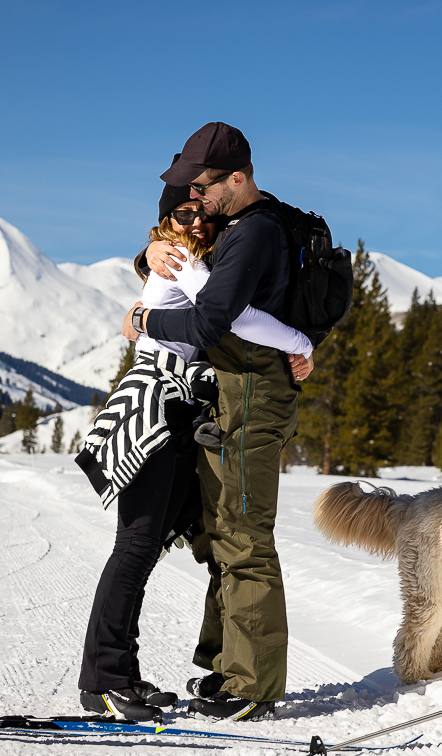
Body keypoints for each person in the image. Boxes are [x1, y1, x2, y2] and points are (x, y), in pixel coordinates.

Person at [77, 173, 312, 723]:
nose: (197, 222)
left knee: (155, 543)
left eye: (204, 215)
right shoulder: (180, 258)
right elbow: (235, 318)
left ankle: (120, 674)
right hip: (154, 403)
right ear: (164, 223)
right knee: (136, 547)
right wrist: (299, 342)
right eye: (183, 215)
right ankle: (105, 679)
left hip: (178, 408)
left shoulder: (181, 255)